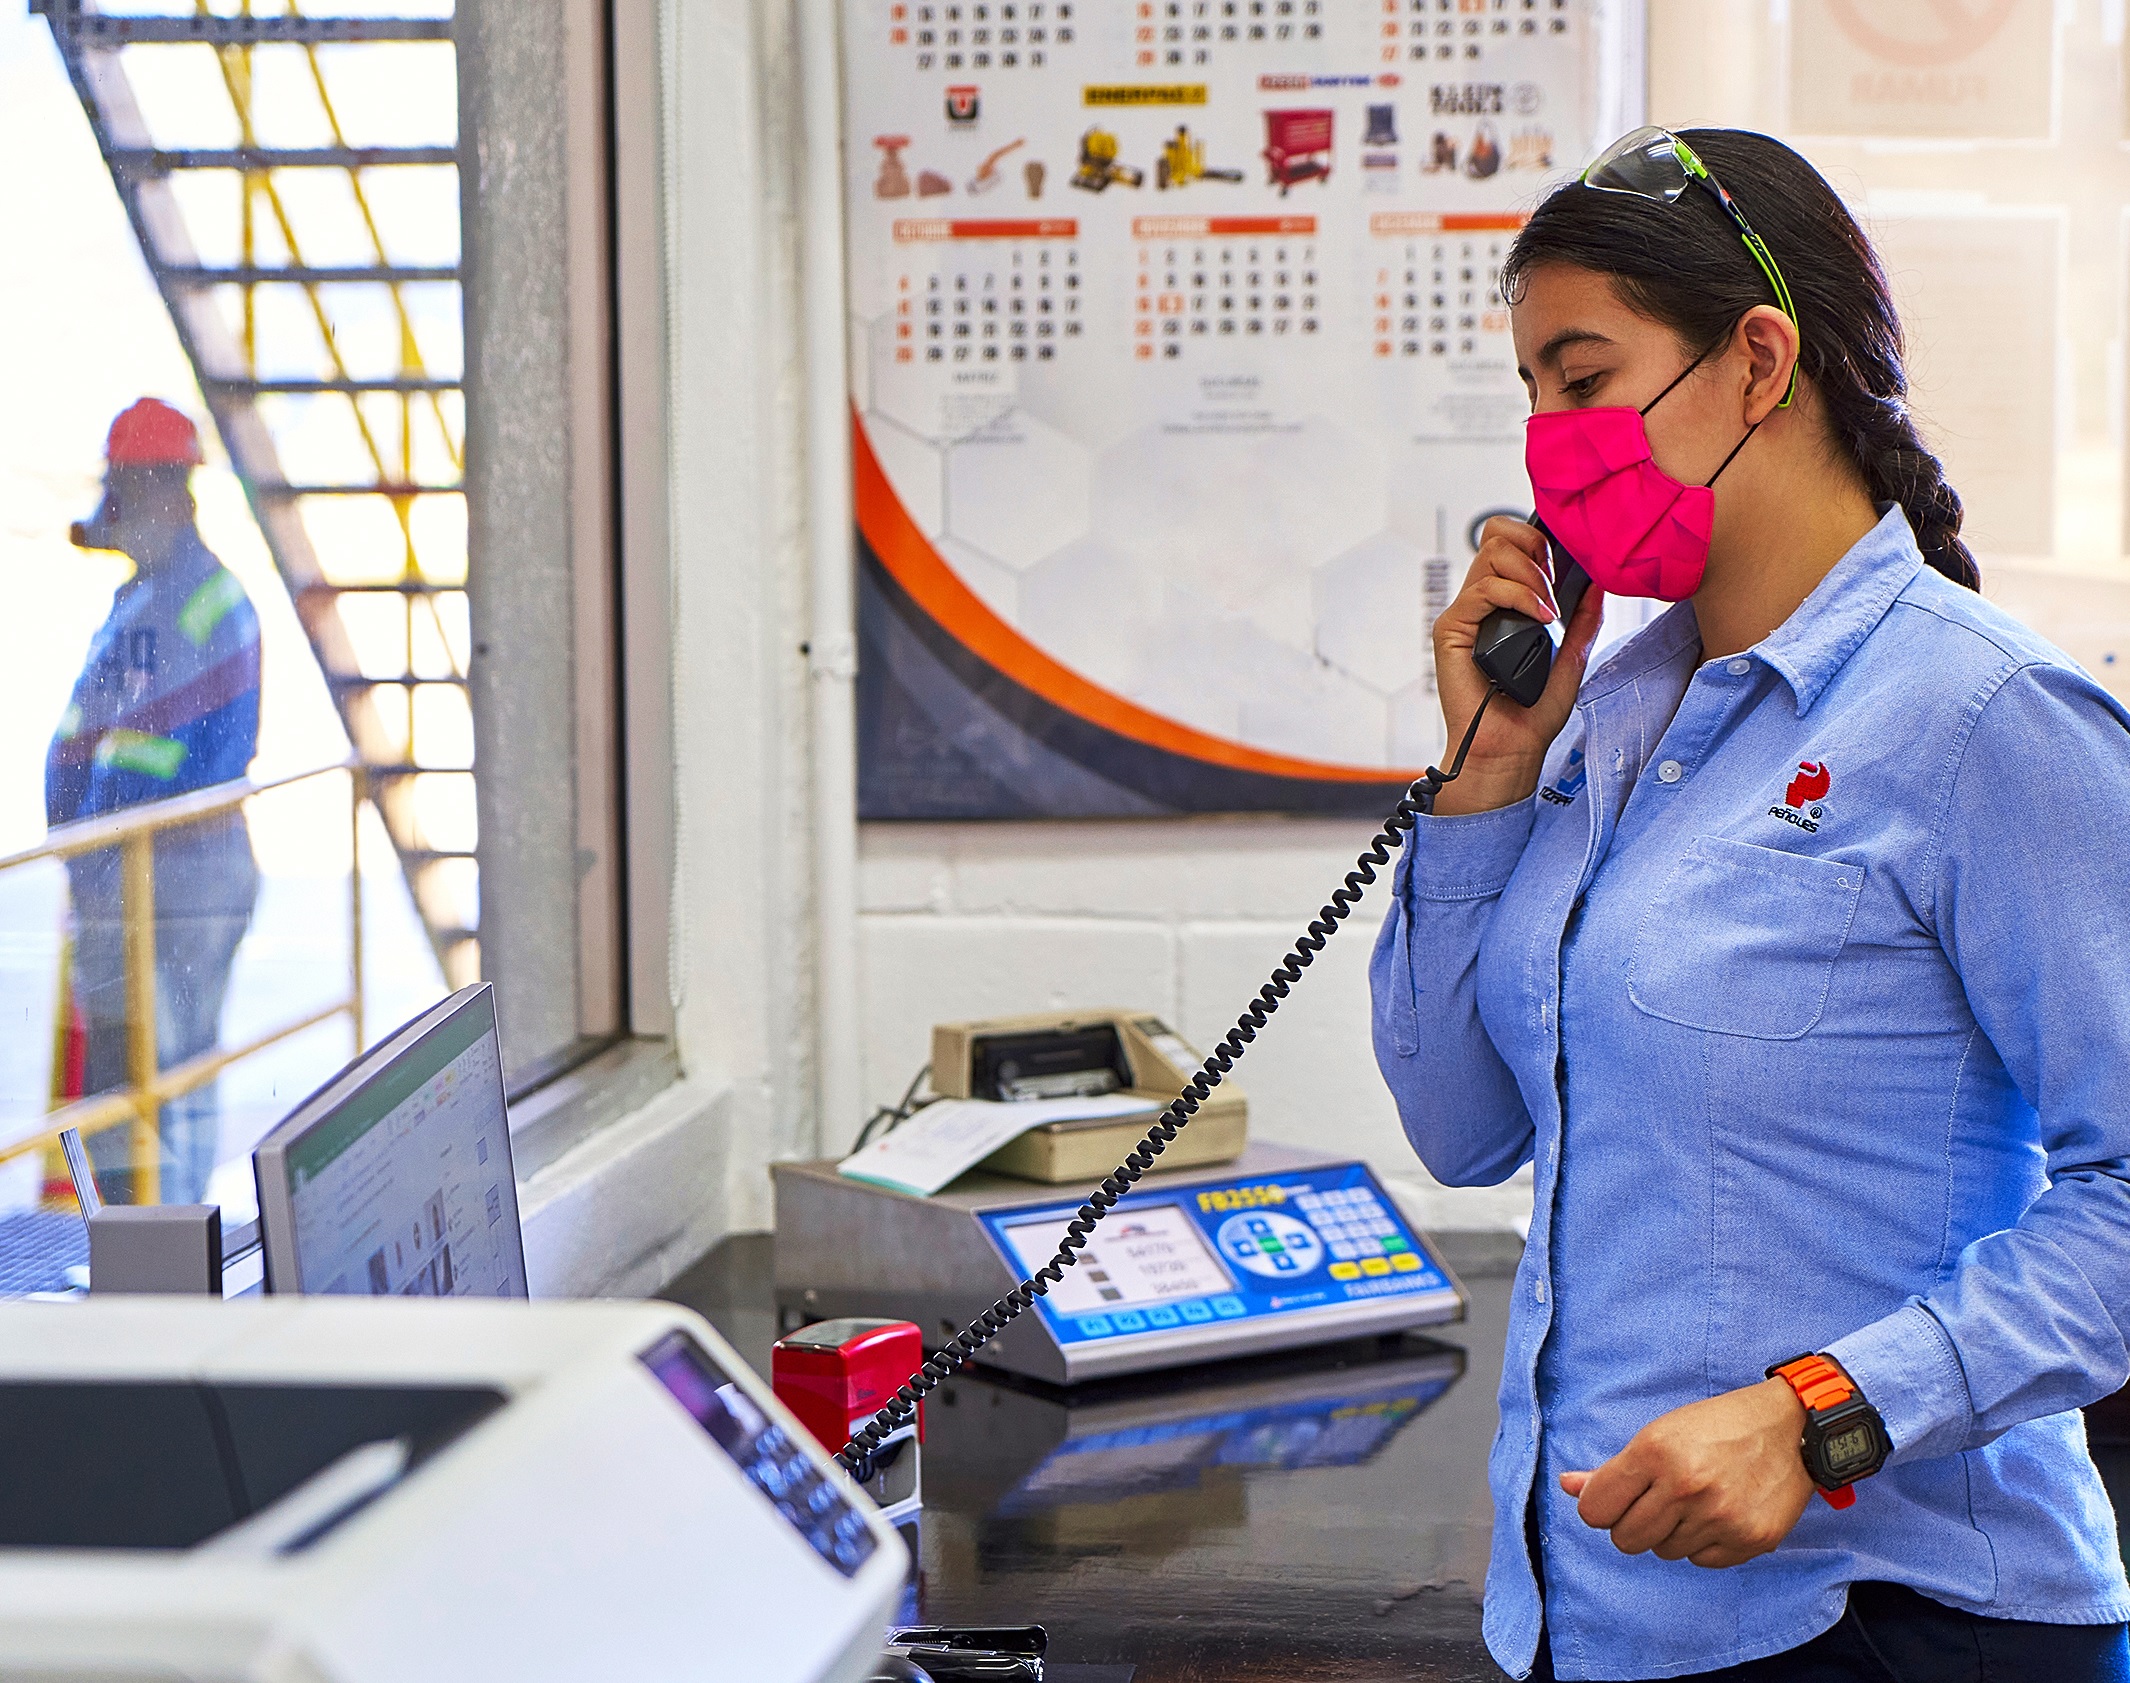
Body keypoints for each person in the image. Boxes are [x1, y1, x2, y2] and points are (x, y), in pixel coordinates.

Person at [1371, 128, 2130, 1681]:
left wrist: (1821, 1410)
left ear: (1758, 360)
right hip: (1599, 1615)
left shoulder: (1988, 719)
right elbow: (1458, 1127)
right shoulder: (1608, 721)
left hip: (1890, 1626)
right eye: (1527, 393)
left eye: (1580, 379)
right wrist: (1483, 773)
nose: (1547, 442)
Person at [47, 398, 261, 1206]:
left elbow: (163, 760)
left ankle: (157, 1254)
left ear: (163, 494)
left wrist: (91, 849)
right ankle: (146, 1242)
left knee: (153, 1077)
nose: (116, 511)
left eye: (125, 493)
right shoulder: (149, 600)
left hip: (169, 880)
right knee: (147, 1072)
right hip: (141, 877)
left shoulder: (194, 604)